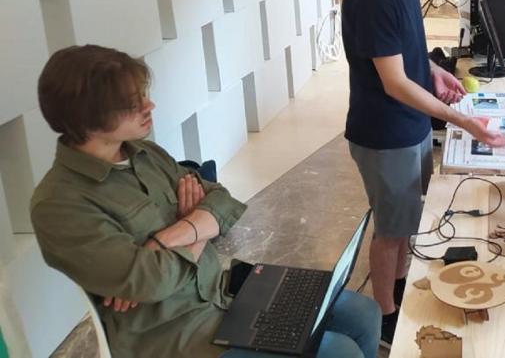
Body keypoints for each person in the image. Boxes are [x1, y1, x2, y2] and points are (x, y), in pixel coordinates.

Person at [30, 45, 382, 358]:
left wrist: (167, 237)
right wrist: (196, 228)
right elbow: (153, 283)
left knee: (364, 314)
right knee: (338, 350)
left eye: (143, 95)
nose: (148, 106)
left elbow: (223, 201)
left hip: (223, 293)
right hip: (174, 333)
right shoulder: (60, 204)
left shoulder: (145, 154)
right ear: (87, 118)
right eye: (131, 104)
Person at [340, 0, 505, 348]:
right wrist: (463, 122)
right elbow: (392, 82)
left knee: (407, 222)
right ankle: (385, 317)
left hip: (409, 125)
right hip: (383, 133)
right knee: (391, 230)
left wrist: (433, 70)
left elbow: (403, 54)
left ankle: (396, 291)